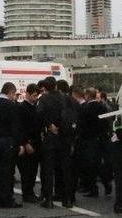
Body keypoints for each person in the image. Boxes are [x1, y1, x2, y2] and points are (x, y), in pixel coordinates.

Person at [36, 77, 75, 208]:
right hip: (64, 137)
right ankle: (67, 199)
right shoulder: (66, 98)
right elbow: (73, 115)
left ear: (45, 87)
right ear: (56, 86)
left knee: (48, 169)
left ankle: (48, 199)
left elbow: (39, 115)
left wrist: (48, 124)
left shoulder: (44, 99)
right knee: (65, 169)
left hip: (50, 136)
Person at [76, 88, 108, 197]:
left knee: (89, 165)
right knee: (99, 163)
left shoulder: (85, 108)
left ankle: (93, 189)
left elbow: (81, 126)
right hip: (101, 139)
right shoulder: (102, 107)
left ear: (88, 95)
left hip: (88, 140)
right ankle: (106, 182)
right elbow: (106, 123)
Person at [17, 83, 42, 202]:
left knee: (33, 170)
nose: (35, 98)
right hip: (28, 142)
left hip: (36, 142)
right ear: (27, 94)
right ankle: (26, 194)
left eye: (37, 96)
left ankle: (30, 192)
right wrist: (25, 143)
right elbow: (20, 128)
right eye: (33, 95)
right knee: (26, 171)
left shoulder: (36, 107)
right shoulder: (21, 108)